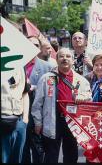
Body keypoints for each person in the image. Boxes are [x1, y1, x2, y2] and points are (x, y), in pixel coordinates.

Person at [31, 48, 92, 163]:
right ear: (57, 59)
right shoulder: (46, 78)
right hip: (52, 121)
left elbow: (89, 98)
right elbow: (37, 103)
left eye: (68, 56)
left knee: (71, 155)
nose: (65, 59)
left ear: (73, 60)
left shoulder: (81, 80)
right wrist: (38, 122)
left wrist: (82, 98)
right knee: (51, 156)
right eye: (61, 56)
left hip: (72, 122)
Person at [22, 36, 55, 164]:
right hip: (19, 115)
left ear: (40, 48)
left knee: (39, 151)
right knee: (22, 151)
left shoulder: (48, 67)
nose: (32, 47)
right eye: (28, 44)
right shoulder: (15, 66)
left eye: (35, 45)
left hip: (40, 116)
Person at [1, 67, 30, 163]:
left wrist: (25, 119)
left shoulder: (21, 66)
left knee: (17, 159)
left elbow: (25, 93)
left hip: (19, 121)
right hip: (2, 119)